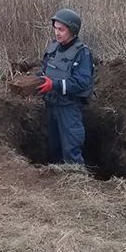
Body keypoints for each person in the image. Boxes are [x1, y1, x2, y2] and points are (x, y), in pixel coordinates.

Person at [36, 9, 94, 165]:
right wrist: (35, 80)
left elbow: (82, 82)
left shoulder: (82, 53)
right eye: (55, 28)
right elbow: (45, 70)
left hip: (69, 108)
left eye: (61, 29)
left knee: (71, 148)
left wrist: (53, 84)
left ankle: (75, 180)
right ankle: (56, 180)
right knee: (54, 146)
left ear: (72, 30)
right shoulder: (53, 48)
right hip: (51, 105)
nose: (57, 33)